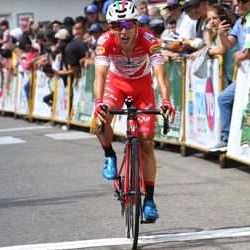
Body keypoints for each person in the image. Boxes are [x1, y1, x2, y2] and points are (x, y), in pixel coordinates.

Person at [93, 0, 175, 222]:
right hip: (116, 84)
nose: (123, 30)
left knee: (147, 143)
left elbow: (160, 73)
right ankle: (109, 153)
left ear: (137, 24)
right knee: (101, 116)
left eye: (127, 24)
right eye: (116, 26)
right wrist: (99, 101)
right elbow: (100, 74)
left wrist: (166, 101)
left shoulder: (149, 39)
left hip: (142, 87)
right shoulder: (105, 40)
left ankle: (149, 200)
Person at [208, 0, 250, 152]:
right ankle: (228, 139)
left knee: (226, 100)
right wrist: (221, 34)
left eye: (241, 2)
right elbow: (228, 45)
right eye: (236, 3)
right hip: (247, 74)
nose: (237, 7)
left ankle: (229, 139)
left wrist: (242, 55)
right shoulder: (240, 22)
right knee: (225, 99)